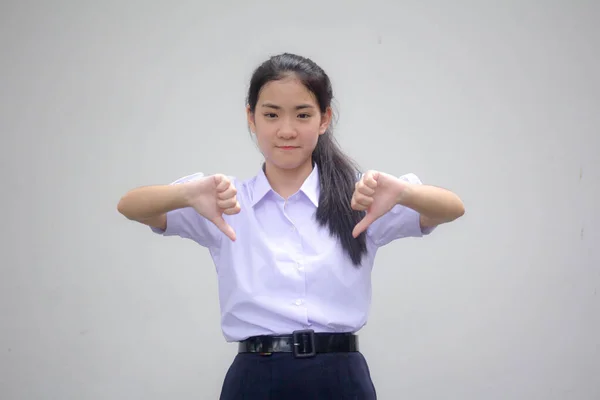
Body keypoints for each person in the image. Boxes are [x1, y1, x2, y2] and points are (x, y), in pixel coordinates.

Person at [117, 52, 465, 399]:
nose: (286, 130)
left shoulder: (361, 197)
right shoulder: (222, 200)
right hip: (256, 378)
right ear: (251, 118)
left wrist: (404, 192)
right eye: (271, 114)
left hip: (340, 377)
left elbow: (451, 208)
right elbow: (130, 206)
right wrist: (185, 194)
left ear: (324, 118)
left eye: (303, 114)